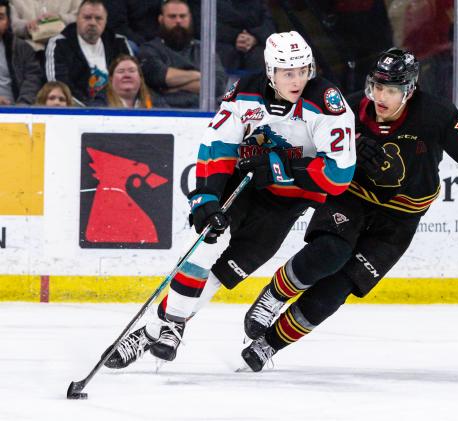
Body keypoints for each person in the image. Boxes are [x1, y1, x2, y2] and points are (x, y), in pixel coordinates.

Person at [240, 47, 458, 372]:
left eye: (392, 90)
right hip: (352, 197)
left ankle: (269, 345)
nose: (381, 96)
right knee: (329, 252)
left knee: (336, 291)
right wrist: (268, 148)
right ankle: (273, 297)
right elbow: (303, 141)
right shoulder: (348, 109)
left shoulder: (435, 114)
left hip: (400, 219)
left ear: (409, 90)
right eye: (378, 86)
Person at [103, 30, 356, 369]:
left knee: (225, 271)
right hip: (245, 185)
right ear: (270, 71)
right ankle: (171, 327)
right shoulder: (246, 93)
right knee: (208, 238)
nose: (297, 80)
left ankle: (154, 329)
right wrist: (205, 197)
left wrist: (279, 168)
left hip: (288, 203)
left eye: (303, 70)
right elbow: (217, 146)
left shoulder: (326, 102)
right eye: (287, 72)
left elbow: (339, 175)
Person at [138, 0, 226, 109]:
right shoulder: (149, 49)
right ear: (161, 19)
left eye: (182, 16)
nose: (178, 21)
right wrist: (200, 75)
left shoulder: (203, 49)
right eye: (172, 16)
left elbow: (218, 84)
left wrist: (177, 86)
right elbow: (159, 77)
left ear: (190, 18)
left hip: (200, 110)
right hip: (162, 111)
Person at [45, 0, 133, 106]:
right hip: (77, 111)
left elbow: (133, 81)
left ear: (106, 21)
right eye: (87, 17)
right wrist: (88, 110)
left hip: (116, 109)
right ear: (77, 19)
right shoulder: (59, 43)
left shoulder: (119, 43)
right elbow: (59, 86)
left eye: (98, 18)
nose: (92, 23)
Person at [0, 0, 43, 105]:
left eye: (0, 17)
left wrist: (22, 106)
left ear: (7, 23)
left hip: (15, 113)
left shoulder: (21, 48)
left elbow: (33, 79)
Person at [216, 0, 275, 73]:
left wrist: (255, 38)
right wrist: (236, 36)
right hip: (221, 45)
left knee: (266, 57)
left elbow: (269, 26)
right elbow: (203, 26)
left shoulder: (258, 2)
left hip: (253, 45)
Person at [91, 54, 166, 108]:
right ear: (111, 79)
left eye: (132, 71)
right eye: (121, 71)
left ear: (140, 78)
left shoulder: (156, 103)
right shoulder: (99, 105)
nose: (127, 75)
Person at [9, 0, 81, 52]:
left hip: (64, 49)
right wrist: (27, 25)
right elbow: (11, 22)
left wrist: (60, 18)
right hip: (30, 50)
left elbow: (81, 17)